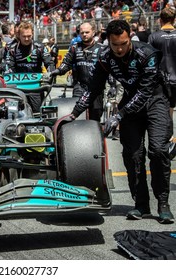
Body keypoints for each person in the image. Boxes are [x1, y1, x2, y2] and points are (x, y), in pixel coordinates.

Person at [70, 20, 174, 224]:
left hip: (155, 100)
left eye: (124, 43)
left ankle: (163, 203)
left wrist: (119, 115)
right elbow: (93, 89)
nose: (119, 49)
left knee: (158, 150)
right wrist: (74, 113)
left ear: (130, 38)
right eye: (115, 44)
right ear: (108, 41)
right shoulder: (105, 57)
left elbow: (145, 92)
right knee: (132, 155)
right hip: (129, 103)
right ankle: (141, 204)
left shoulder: (147, 54)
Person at [49, 22, 107, 121]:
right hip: (79, 86)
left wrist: (113, 85)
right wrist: (57, 71)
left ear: (93, 32)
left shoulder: (102, 49)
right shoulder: (74, 48)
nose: (84, 34)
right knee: (78, 117)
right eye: (82, 32)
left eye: (87, 32)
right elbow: (66, 64)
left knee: (95, 118)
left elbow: (108, 69)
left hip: (96, 89)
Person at [4, 20, 54, 113]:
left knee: (37, 112)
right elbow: (8, 66)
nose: (27, 39)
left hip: (35, 87)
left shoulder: (39, 47)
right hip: (18, 87)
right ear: (19, 35)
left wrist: (50, 74)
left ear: (32, 34)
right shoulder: (12, 49)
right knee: (16, 112)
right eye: (24, 36)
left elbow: (50, 63)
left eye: (29, 36)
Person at [148, 7, 176, 159]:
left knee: (167, 111)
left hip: (162, 80)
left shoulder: (154, 36)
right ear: (174, 19)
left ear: (160, 19)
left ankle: (168, 139)